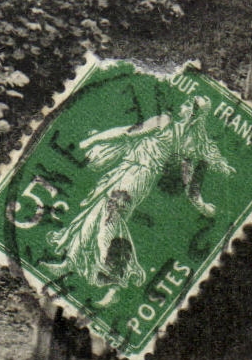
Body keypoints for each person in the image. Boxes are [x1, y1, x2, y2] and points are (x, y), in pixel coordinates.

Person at [45, 95, 235, 305]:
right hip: (132, 174)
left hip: (135, 176)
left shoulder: (165, 121)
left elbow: (126, 131)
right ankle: (70, 261)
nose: (182, 104)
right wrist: (200, 203)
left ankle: (119, 276)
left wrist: (94, 139)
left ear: (191, 112)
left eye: (187, 103)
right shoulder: (190, 141)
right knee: (95, 211)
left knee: (109, 217)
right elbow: (188, 181)